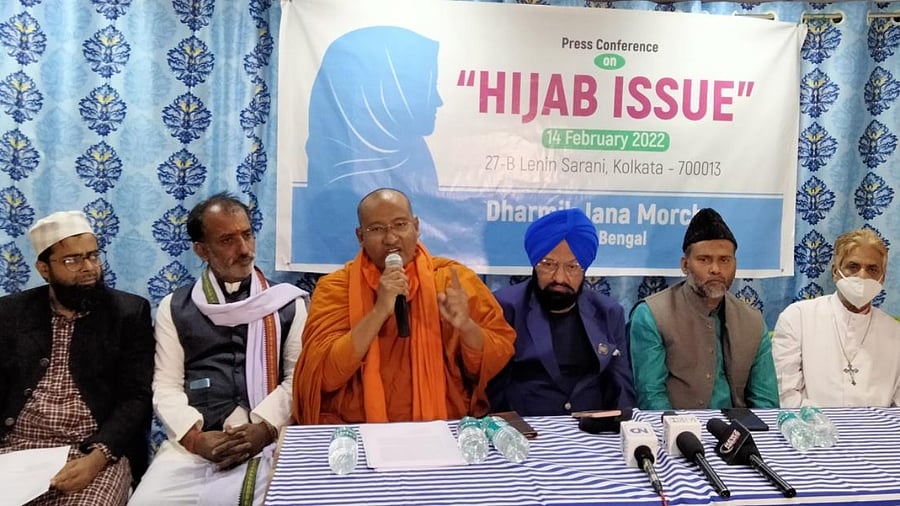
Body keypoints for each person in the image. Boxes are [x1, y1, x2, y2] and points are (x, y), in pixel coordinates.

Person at [129, 193, 307, 506]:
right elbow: (166, 385)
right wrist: (195, 439)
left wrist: (264, 429)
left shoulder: (287, 303)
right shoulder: (175, 307)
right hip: (194, 448)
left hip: (269, 439)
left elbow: (298, 378)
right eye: (227, 240)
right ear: (201, 250)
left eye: (247, 235)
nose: (244, 249)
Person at [293, 188, 515, 424]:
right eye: (376, 229)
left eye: (400, 225)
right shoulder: (336, 288)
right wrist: (379, 312)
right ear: (360, 236)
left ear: (416, 226)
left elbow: (493, 364)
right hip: (358, 429)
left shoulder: (452, 280)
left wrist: (467, 327)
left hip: (442, 428)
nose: (390, 238)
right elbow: (325, 376)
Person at [0, 210, 154, 505]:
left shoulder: (128, 313)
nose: (89, 268)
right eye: (72, 260)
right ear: (44, 269)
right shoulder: (10, 313)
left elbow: (136, 398)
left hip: (92, 453)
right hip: (15, 450)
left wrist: (96, 459)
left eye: (93, 256)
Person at [487, 208, 635, 416]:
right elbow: (491, 389)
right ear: (535, 264)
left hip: (592, 429)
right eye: (548, 264)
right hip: (525, 427)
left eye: (572, 267)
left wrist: (624, 427)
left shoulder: (608, 312)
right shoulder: (505, 308)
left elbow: (621, 386)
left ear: (584, 269)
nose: (559, 278)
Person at [628, 208, 779, 410]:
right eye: (704, 259)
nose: (715, 269)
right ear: (685, 265)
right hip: (676, 426)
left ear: (735, 264)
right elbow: (651, 397)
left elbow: (766, 402)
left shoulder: (752, 320)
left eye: (724, 260)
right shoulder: (651, 315)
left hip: (739, 426)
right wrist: (678, 428)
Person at [773, 229, 900, 407]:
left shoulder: (895, 332)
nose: (862, 276)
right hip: (811, 422)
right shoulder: (797, 317)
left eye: (872, 269)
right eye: (853, 267)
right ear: (835, 272)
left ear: (882, 278)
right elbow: (786, 394)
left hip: (879, 424)